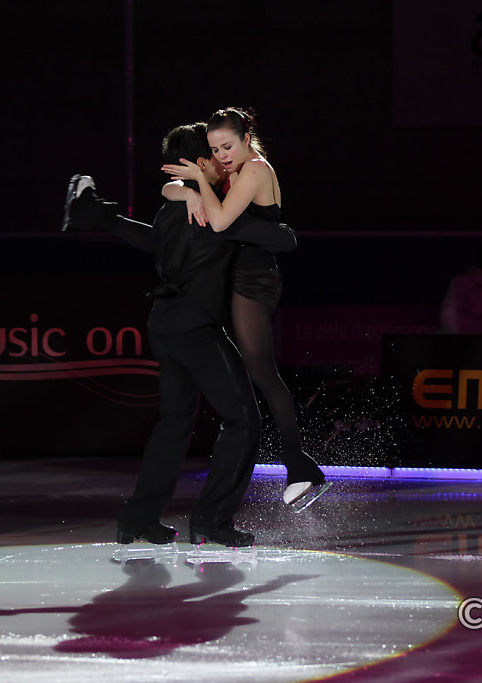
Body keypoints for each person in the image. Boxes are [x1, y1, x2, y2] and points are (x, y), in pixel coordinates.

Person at [64, 122, 298, 548]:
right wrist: (277, 230)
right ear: (202, 163)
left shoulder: (174, 207)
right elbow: (279, 238)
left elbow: (153, 240)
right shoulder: (214, 213)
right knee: (244, 420)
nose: (225, 167)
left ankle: (138, 520)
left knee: (173, 424)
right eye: (215, 157)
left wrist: (108, 214)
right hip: (194, 329)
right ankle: (211, 521)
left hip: (164, 323)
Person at [161, 107, 328, 509]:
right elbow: (168, 188)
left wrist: (200, 182)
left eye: (228, 146)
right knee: (246, 370)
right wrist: (186, 191)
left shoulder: (253, 169)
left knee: (260, 369)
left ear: (246, 137)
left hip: (255, 280)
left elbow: (218, 223)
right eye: (215, 149)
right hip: (234, 280)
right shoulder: (227, 169)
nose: (222, 155)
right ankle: (296, 463)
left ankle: (298, 462)